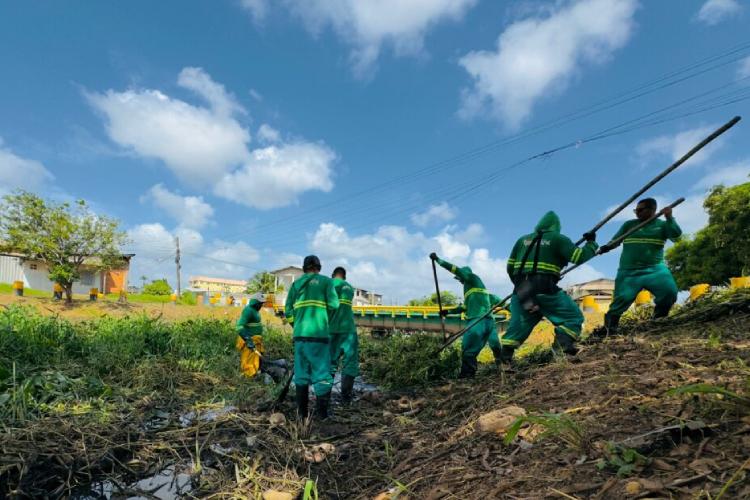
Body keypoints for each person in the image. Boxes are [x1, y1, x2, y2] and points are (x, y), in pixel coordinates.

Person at [501, 211, 598, 361]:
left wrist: (521, 288)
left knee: (517, 327)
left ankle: (504, 362)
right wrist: (591, 243)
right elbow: (579, 257)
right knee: (572, 317)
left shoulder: (521, 240)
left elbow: (510, 268)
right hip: (545, 288)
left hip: (521, 289)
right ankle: (561, 351)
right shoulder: (558, 239)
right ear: (556, 227)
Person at [599, 198, 682, 334]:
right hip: (629, 272)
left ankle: (658, 321)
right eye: (635, 210)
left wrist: (669, 217)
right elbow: (615, 240)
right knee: (621, 300)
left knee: (669, 292)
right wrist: (606, 247)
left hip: (655, 269)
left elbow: (676, 235)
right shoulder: (629, 225)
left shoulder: (662, 225)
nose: (637, 213)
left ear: (652, 210)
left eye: (640, 210)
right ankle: (609, 329)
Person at [430, 253, 504, 378]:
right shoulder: (471, 288)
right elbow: (464, 307)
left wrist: (438, 260)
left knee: (468, 348)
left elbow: (454, 269)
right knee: (495, 346)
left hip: (478, 320)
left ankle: (467, 375)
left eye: (459, 278)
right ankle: (503, 366)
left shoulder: (471, 278)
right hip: (488, 321)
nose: (459, 280)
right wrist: (448, 312)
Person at [284, 255, 340, 419]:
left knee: (301, 374)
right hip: (319, 336)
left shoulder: (296, 284)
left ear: (304, 267)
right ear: (319, 267)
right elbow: (334, 305)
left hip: (300, 336)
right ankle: (322, 414)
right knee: (321, 373)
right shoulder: (326, 282)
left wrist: (297, 325)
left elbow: (288, 311)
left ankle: (302, 415)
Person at [329, 266, 359, 403]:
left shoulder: (329, 284)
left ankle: (324, 397)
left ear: (333, 275)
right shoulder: (350, 288)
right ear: (344, 277)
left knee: (330, 363)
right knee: (350, 362)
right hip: (349, 331)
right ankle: (346, 398)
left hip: (332, 330)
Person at [235, 295, 265, 378]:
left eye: (262, 304)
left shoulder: (255, 311)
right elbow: (239, 327)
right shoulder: (248, 310)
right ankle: (248, 377)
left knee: (255, 360)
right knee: (248, 359)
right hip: (250, 339)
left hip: (256, 340)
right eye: (260, 303)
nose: (261, 306)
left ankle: (254, 374)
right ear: (255, 302)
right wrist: (247, 339)